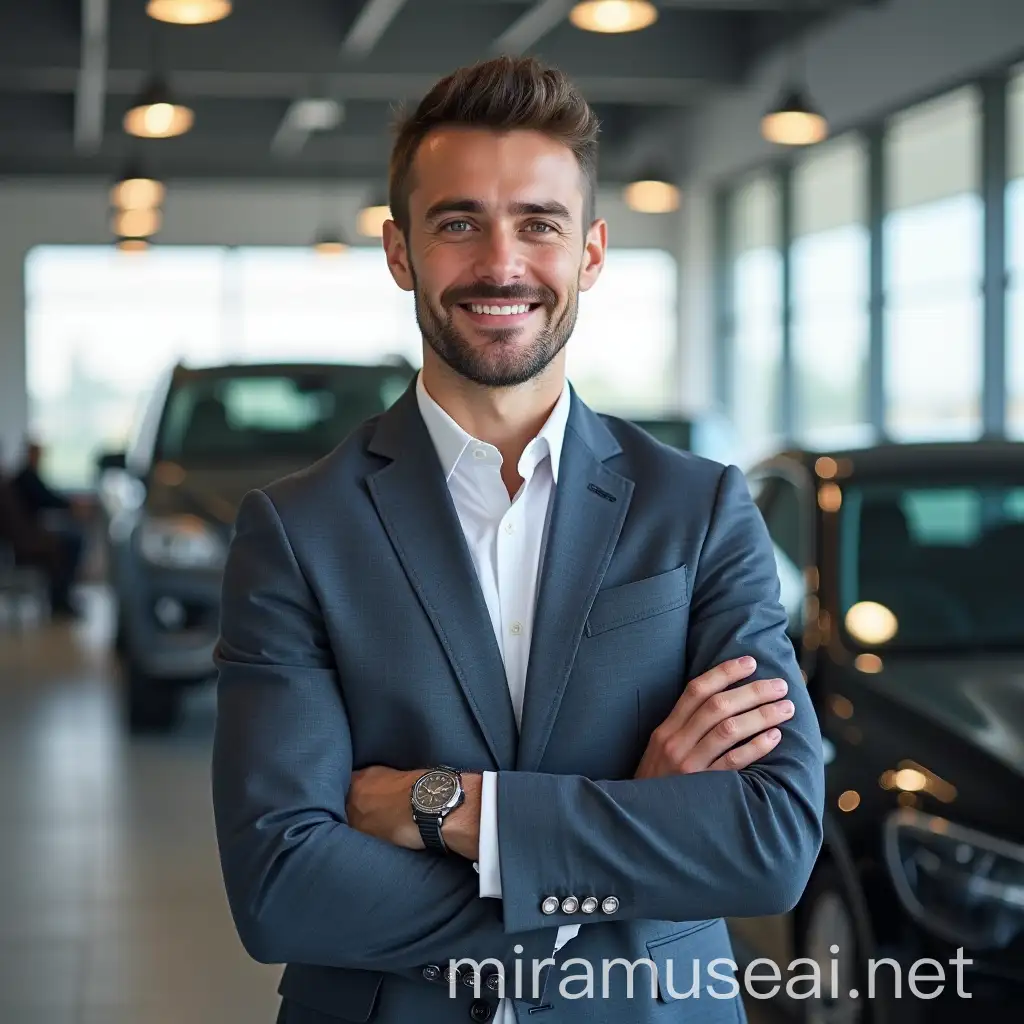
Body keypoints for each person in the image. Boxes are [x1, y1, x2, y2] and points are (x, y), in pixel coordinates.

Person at [212, 56, 824, 1024]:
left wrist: (445, 806)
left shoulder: (697, 508)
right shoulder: (296, 529)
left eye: (538, 223)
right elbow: (281, 882)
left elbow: (770, 841)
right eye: (458, 223)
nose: (501, 264)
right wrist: (629, 831)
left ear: (588, 252)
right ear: (399, 251)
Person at [8, 439, 85, 616]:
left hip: (28, 536)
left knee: (69, 539)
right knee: (72, 542)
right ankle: (59, 600)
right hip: (26, 541)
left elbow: (47, 496)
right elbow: (47, 497)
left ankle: (60, 598)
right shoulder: (26, 477)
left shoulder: (24, 476)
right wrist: (72, 506)